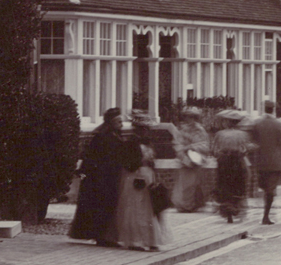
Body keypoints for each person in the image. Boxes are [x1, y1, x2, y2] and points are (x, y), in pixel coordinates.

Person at [112, 112, 172, 250]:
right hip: (135, 177)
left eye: (147, 129)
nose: (146, 131)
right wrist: (137, 169)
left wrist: (154, 174)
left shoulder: (149, 143)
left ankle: (150, 240)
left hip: (148, 176)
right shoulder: (130, 144)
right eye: (144, 128)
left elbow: (152, 161)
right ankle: (135, 240)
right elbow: (126, 162)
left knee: (150, 209)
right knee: (136, 208)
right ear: (137, 129)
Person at [69, 107, 126, 246]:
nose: (121, 124)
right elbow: (92, 158)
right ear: (111, 122)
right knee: (102, 205)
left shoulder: (116, 135)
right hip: (101, 178)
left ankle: (107, 235)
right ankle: (102, 236)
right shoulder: (102, 137)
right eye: (118, 121)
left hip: (111, 176)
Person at [248, 100, 281, 225]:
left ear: (264, 109)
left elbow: (253, 142)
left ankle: (265, 213)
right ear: (273, 110)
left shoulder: (257, 124)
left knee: (264, 186)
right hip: (276, 163)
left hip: (261, 162)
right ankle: (266, 216)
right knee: (270, 189)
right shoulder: (279, 125)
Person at [212, 110, 250, 222]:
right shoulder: (242, 134)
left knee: (224, 185)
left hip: (224, 163)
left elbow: (214, 151)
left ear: (227, 122)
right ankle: (237, 207)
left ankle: (227, 211)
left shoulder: (219, 134)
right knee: (238, 185)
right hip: (237, 162)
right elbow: (245, 149)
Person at [171, 107, 210, 213]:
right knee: (184, 184)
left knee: (193, 184)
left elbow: (204, 144)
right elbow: (177, 143)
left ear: (195, 118)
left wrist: (191, 147)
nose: (188, 119)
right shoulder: (182, 130)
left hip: (195, 159)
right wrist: (182, 153)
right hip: (184, 160)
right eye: (187, 117)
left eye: (191, 117)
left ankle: (192, 205)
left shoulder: (200, 130)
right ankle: (184, 205)